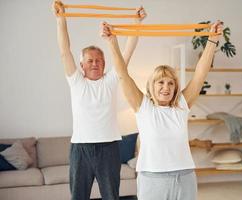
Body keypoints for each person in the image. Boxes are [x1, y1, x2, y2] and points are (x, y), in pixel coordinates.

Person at [102, 21, 223, 200]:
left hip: (184, 177)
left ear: (175, 87)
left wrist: (212, 40)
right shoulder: (143, 106)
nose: (166, 87)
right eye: (161, 82)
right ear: (152, 85)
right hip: (152, 179)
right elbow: (122, 74)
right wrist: (112, 42)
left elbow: (200, 74)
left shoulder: (181, 105)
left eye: (170, 83)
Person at [52, 1, 146, 200]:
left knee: (111, 196)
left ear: (104, 64)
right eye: (90, 60)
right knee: (78, 196)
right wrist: (61, 19)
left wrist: (136, 22)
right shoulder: (76, 81)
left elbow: (127, 52)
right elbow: (64, 51)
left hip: (109, 148)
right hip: (80, 149)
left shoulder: (111, 80)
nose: (95, 63)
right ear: (81, 64)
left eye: (99, 60)